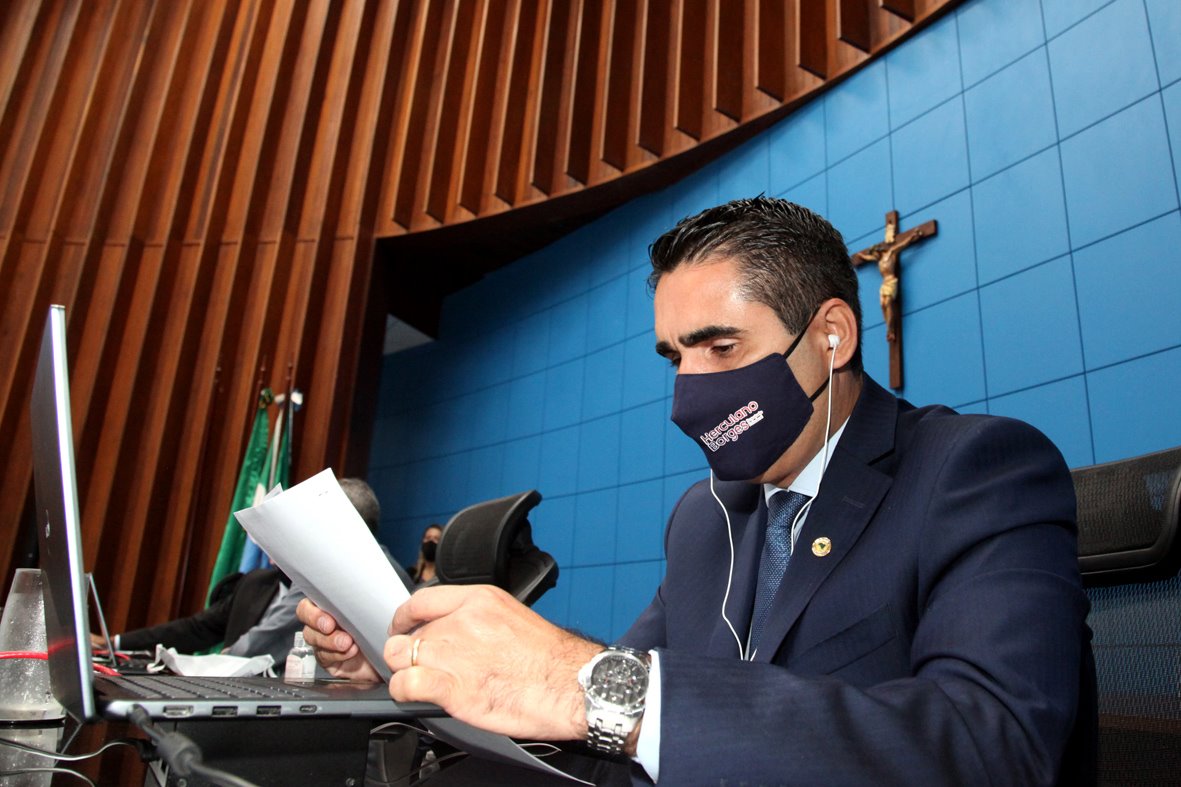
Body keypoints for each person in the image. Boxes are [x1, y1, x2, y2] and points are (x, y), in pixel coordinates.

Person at [299, 197, 1097, 785]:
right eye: (673, 356)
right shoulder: (704, 515)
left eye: (720, 346)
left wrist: (587, 684)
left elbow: (996, 748)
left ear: (831, 335)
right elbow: (608, 699)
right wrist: (429, 664)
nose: (689, 390)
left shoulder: (975, 468)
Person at [103, 476, 409, 667]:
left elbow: (257, 647)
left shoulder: (344, 573)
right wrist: (115, 644)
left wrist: (211, 665)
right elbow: (199, 628)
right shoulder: (256, 582)